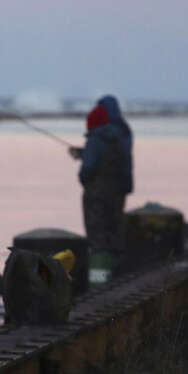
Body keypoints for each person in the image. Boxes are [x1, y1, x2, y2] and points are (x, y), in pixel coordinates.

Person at [77, 103, 130, 277]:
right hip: (116, 193)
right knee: (113, 233)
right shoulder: (118, 137)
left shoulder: (94, 140)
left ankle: (99, 278)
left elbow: (88, 169)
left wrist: (83, 178)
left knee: (96, 235)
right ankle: (115, 274)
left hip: (95, 194)